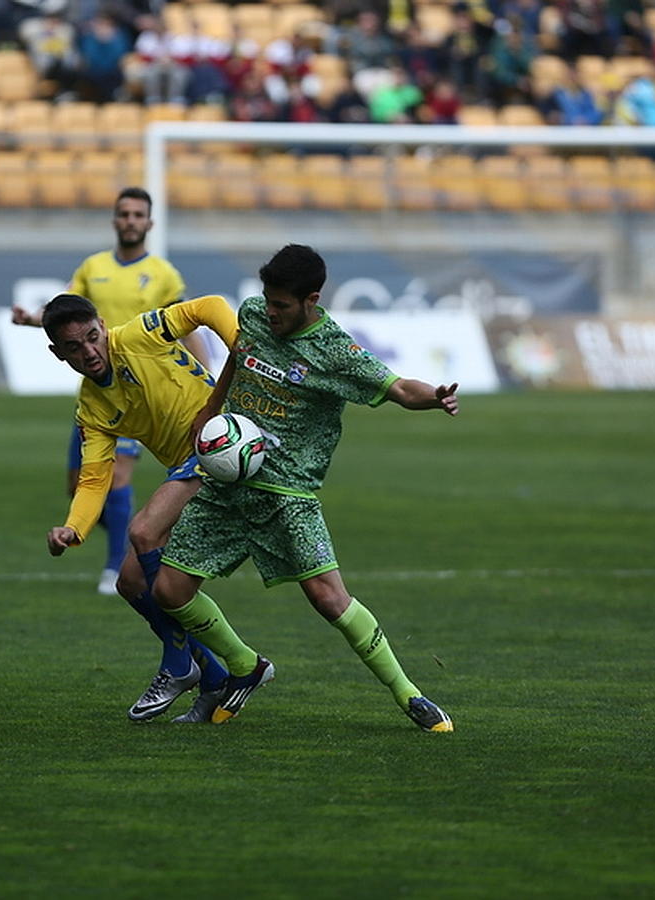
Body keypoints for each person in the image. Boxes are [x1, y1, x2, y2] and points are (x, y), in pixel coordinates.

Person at [152, 244, 459, 732]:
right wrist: (212, 405)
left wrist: (435, 398)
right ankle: (246, 666)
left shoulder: (335, 350)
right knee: (169, 588)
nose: (269, 312)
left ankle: (412, 696)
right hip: (228, 484)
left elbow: (399, 388)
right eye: (267, 300)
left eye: (282, 305)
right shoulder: (253, 315)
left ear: (311, 299)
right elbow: (240, 355)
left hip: (287, 495)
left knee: (329, 599)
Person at [40, 292, 237, 722]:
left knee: (143, 532)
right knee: (131, 582)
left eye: (93, 337)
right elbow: (94, 478)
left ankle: (184, 662)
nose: (89, 352)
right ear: (58, 354)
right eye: (74, 347)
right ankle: (214, 673)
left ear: (104, 326)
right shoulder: (91, 408)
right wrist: (73, 528)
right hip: (186, 467)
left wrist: (239, 342)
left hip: (220, 447)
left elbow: (209, 307)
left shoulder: (141, 334)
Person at [11, 187, 200, 597]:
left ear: (149, 223)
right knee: (79, 486)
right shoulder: (93, 267)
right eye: (124, 214)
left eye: (138, 215)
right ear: (114, 220)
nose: (130, 221)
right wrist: (30, 320)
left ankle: (117, 566)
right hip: (98, 390)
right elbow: (62, 313)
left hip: (142, 386)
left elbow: (188, 326)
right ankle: (131, 541)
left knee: (115, 479)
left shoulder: (163, 274)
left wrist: (213, 376)